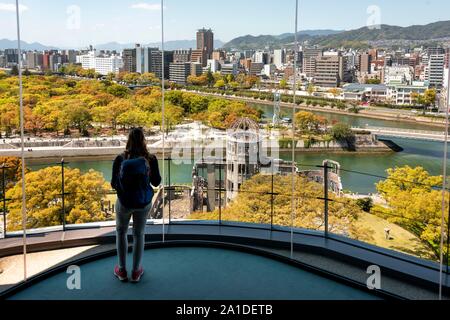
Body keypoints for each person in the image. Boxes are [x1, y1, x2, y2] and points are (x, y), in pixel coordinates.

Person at [111, 128, 161, 283]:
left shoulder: (120, 158)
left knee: (121, 232)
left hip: (124, 202)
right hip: (143, 202)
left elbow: (113, 184)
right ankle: (136, 272)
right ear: (144, 140)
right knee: (139, 234)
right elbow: (156, 182)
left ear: (128, 140)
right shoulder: (150, 159)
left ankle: (122, 269)